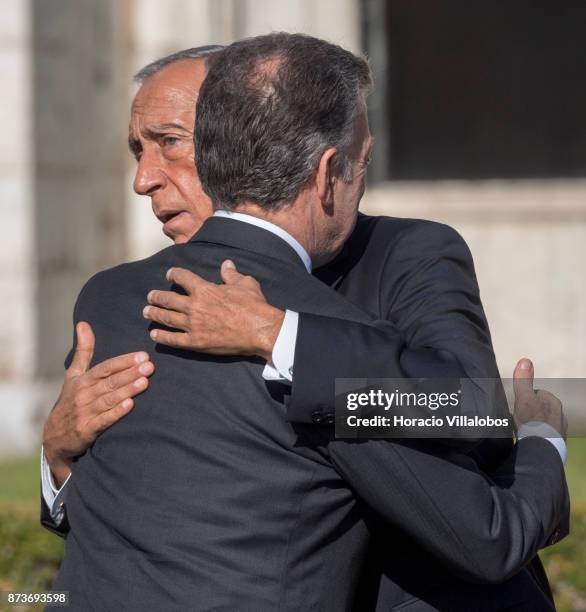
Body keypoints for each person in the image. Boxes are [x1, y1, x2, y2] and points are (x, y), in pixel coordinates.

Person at [42, 39, 568, 610]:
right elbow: (146, 526)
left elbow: (475, 411)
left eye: (170, 142)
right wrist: (57, 457)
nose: (144, 178)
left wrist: (280, 335)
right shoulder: (117, 298)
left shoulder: (404, 257)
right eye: (135, 150)